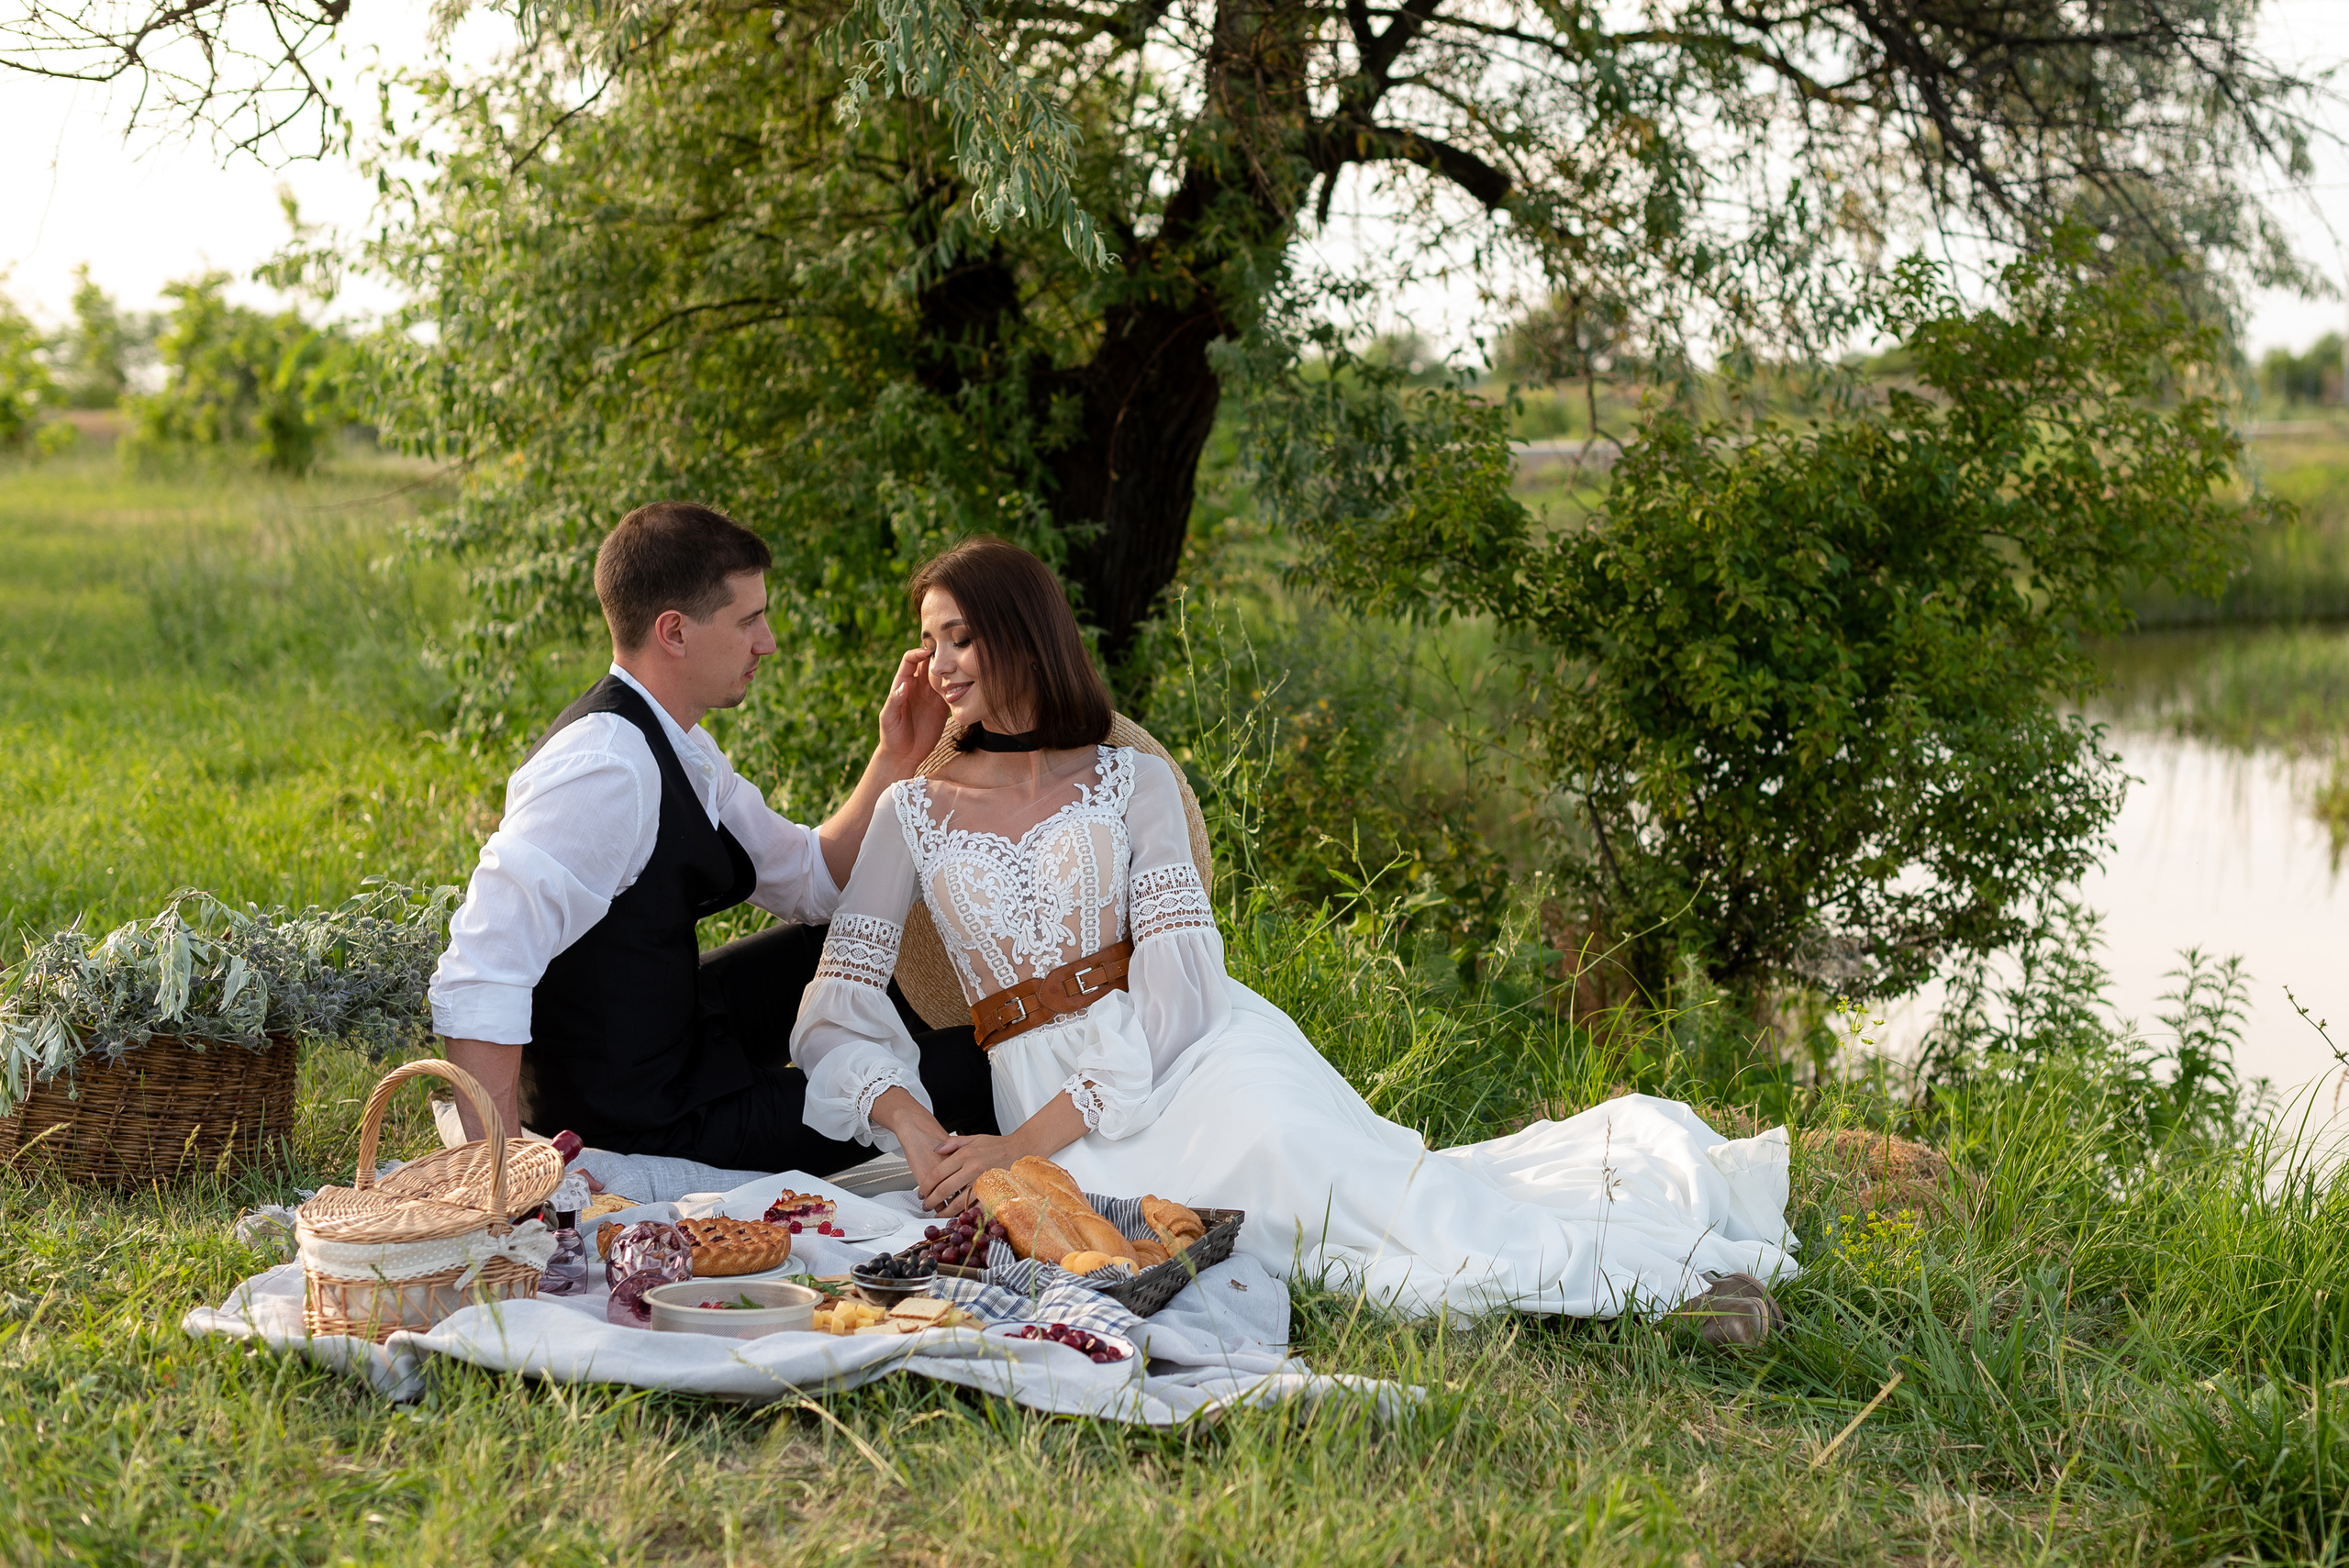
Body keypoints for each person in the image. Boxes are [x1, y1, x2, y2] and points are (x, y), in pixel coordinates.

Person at [789, 537, 1798, 1321]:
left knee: (1301, 1162)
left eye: (959, 633)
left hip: (1184, 1047)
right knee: (1256, 1226)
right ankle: (1624, 1278)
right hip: (1040, 1084)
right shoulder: (910, 812)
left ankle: (1665, 1279)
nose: (939, 661)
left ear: (1023, 631)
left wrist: (1020, 1143)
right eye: (929, 639)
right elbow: (837, 1006)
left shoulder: (1127, 778)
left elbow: (1181, 984)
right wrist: (925, 1137)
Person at [427, 501, 996, 1172]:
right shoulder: (604, 769)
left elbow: (811, 880)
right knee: (976, 1067)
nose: (768, 641)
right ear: (674, 632)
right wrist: (499, 1183)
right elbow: (480, 969)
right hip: (645, 1114)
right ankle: (951, 1106)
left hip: (676, 1030)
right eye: (748, 619)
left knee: (861, 940)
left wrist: (895, 757)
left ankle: (893, 1068)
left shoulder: (677, 737)